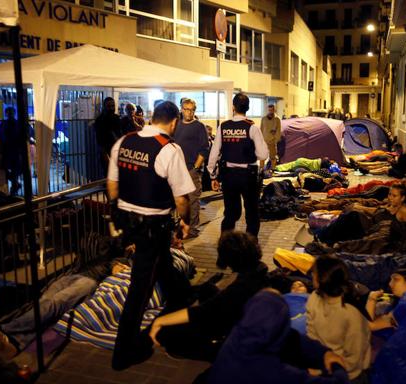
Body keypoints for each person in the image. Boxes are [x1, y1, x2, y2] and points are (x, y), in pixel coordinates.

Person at [107, 101, 195, 370]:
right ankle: (123, 352)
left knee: (164, 264)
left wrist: (119, 213)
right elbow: (181, 198)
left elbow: (112, 185)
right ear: (174, 122)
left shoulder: (123, 141)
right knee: (140, 289)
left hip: (128, 221)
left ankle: (183, 299)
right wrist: (185, 222)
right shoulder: (169, 148)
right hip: (152, 227)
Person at [0, 234, 128, 359]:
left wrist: (122, 261)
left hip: (89, 281)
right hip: (72, 275)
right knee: (44, 304)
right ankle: (14, 344)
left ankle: (4, 330)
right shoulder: (108, 244)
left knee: (55, 303)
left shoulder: (123, 257)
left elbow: (119, 270)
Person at [148, 231, 271, 361]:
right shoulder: (258, 270)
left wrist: (160, 321)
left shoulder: (242, 288)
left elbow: (202, 311)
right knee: (207, 289)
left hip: (237, 335)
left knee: (167, 333)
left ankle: (207, 345)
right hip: (236, 316)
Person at [207, 290, 349, 384]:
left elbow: (292, 338)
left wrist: (323, 353)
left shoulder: (242, 332)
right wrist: (338, 368)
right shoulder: (270, 372)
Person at [207, 93, 269, 236]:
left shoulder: (223, 127)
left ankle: (225, 247)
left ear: (233, 107)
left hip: (228, 176)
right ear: (247, 108)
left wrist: (212, 176)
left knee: (230, 214)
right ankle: (251, 248)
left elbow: (214, 153)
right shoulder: (252, 128)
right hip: (248, 176)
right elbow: (263, 155)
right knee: (252, 214)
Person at [307, 256, 371, 382]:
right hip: (323, 362)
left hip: (349, 374)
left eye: (314, 273)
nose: (311, 275)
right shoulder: (314, 298)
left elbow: (354, 360)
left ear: (321, 279)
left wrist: (323, 371)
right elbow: (311, 332)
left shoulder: (350, 314)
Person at [173, 98, 210, 239]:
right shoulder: (176, 125)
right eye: (186, 109)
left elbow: (204, 149)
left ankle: (193, 229)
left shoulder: (199, 127)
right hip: (177, 170)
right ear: (181, 109)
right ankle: (182, 225)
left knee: (193, 201)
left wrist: (195, 167)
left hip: (191, 170)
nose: (189, 112)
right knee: (180, 200)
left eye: (191, 109)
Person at [0, 107, 33, 195]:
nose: (10, 114)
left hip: (11, 150)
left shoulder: (5, 124)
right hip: (15, 150)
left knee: (11, 169)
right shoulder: (17, 123)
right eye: (9, 112)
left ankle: (15, 186)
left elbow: (0, 136)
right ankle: (16, 185)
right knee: (13, 170)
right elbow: (29, 133)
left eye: (10, 112)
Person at [93, 97, 122, 171]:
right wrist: (106, 157)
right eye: (109, 106)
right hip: (106, 153)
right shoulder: (100, 120)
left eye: (113, 106)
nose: (112, 108)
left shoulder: (116, 118)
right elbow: (100, 142)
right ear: (104, 107)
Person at [260, 104, 282, 168]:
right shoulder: (263, 119)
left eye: (272, 110)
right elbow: (261, 129)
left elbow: (278, 131)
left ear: (274, 110)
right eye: (269, 110)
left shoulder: (277, 119)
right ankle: (261, 170)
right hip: (264, 142)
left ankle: (273, 170)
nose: (270, 111)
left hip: (272, 142)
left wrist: (275, 140)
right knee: (262, 157)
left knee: (273, 158)